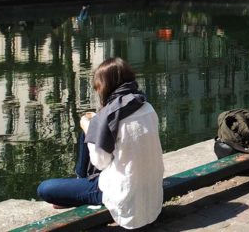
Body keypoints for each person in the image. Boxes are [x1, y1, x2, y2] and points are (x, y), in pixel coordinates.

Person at [36, 58, 163, 229]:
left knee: (44, 189)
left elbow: (100, 162)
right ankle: (79, 185)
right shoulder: (146, 106)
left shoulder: (108, 116)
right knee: (90, 129)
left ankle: (78, 190)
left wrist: (90, 130)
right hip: (152, 200)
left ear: (105, 87)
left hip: (123, 196)